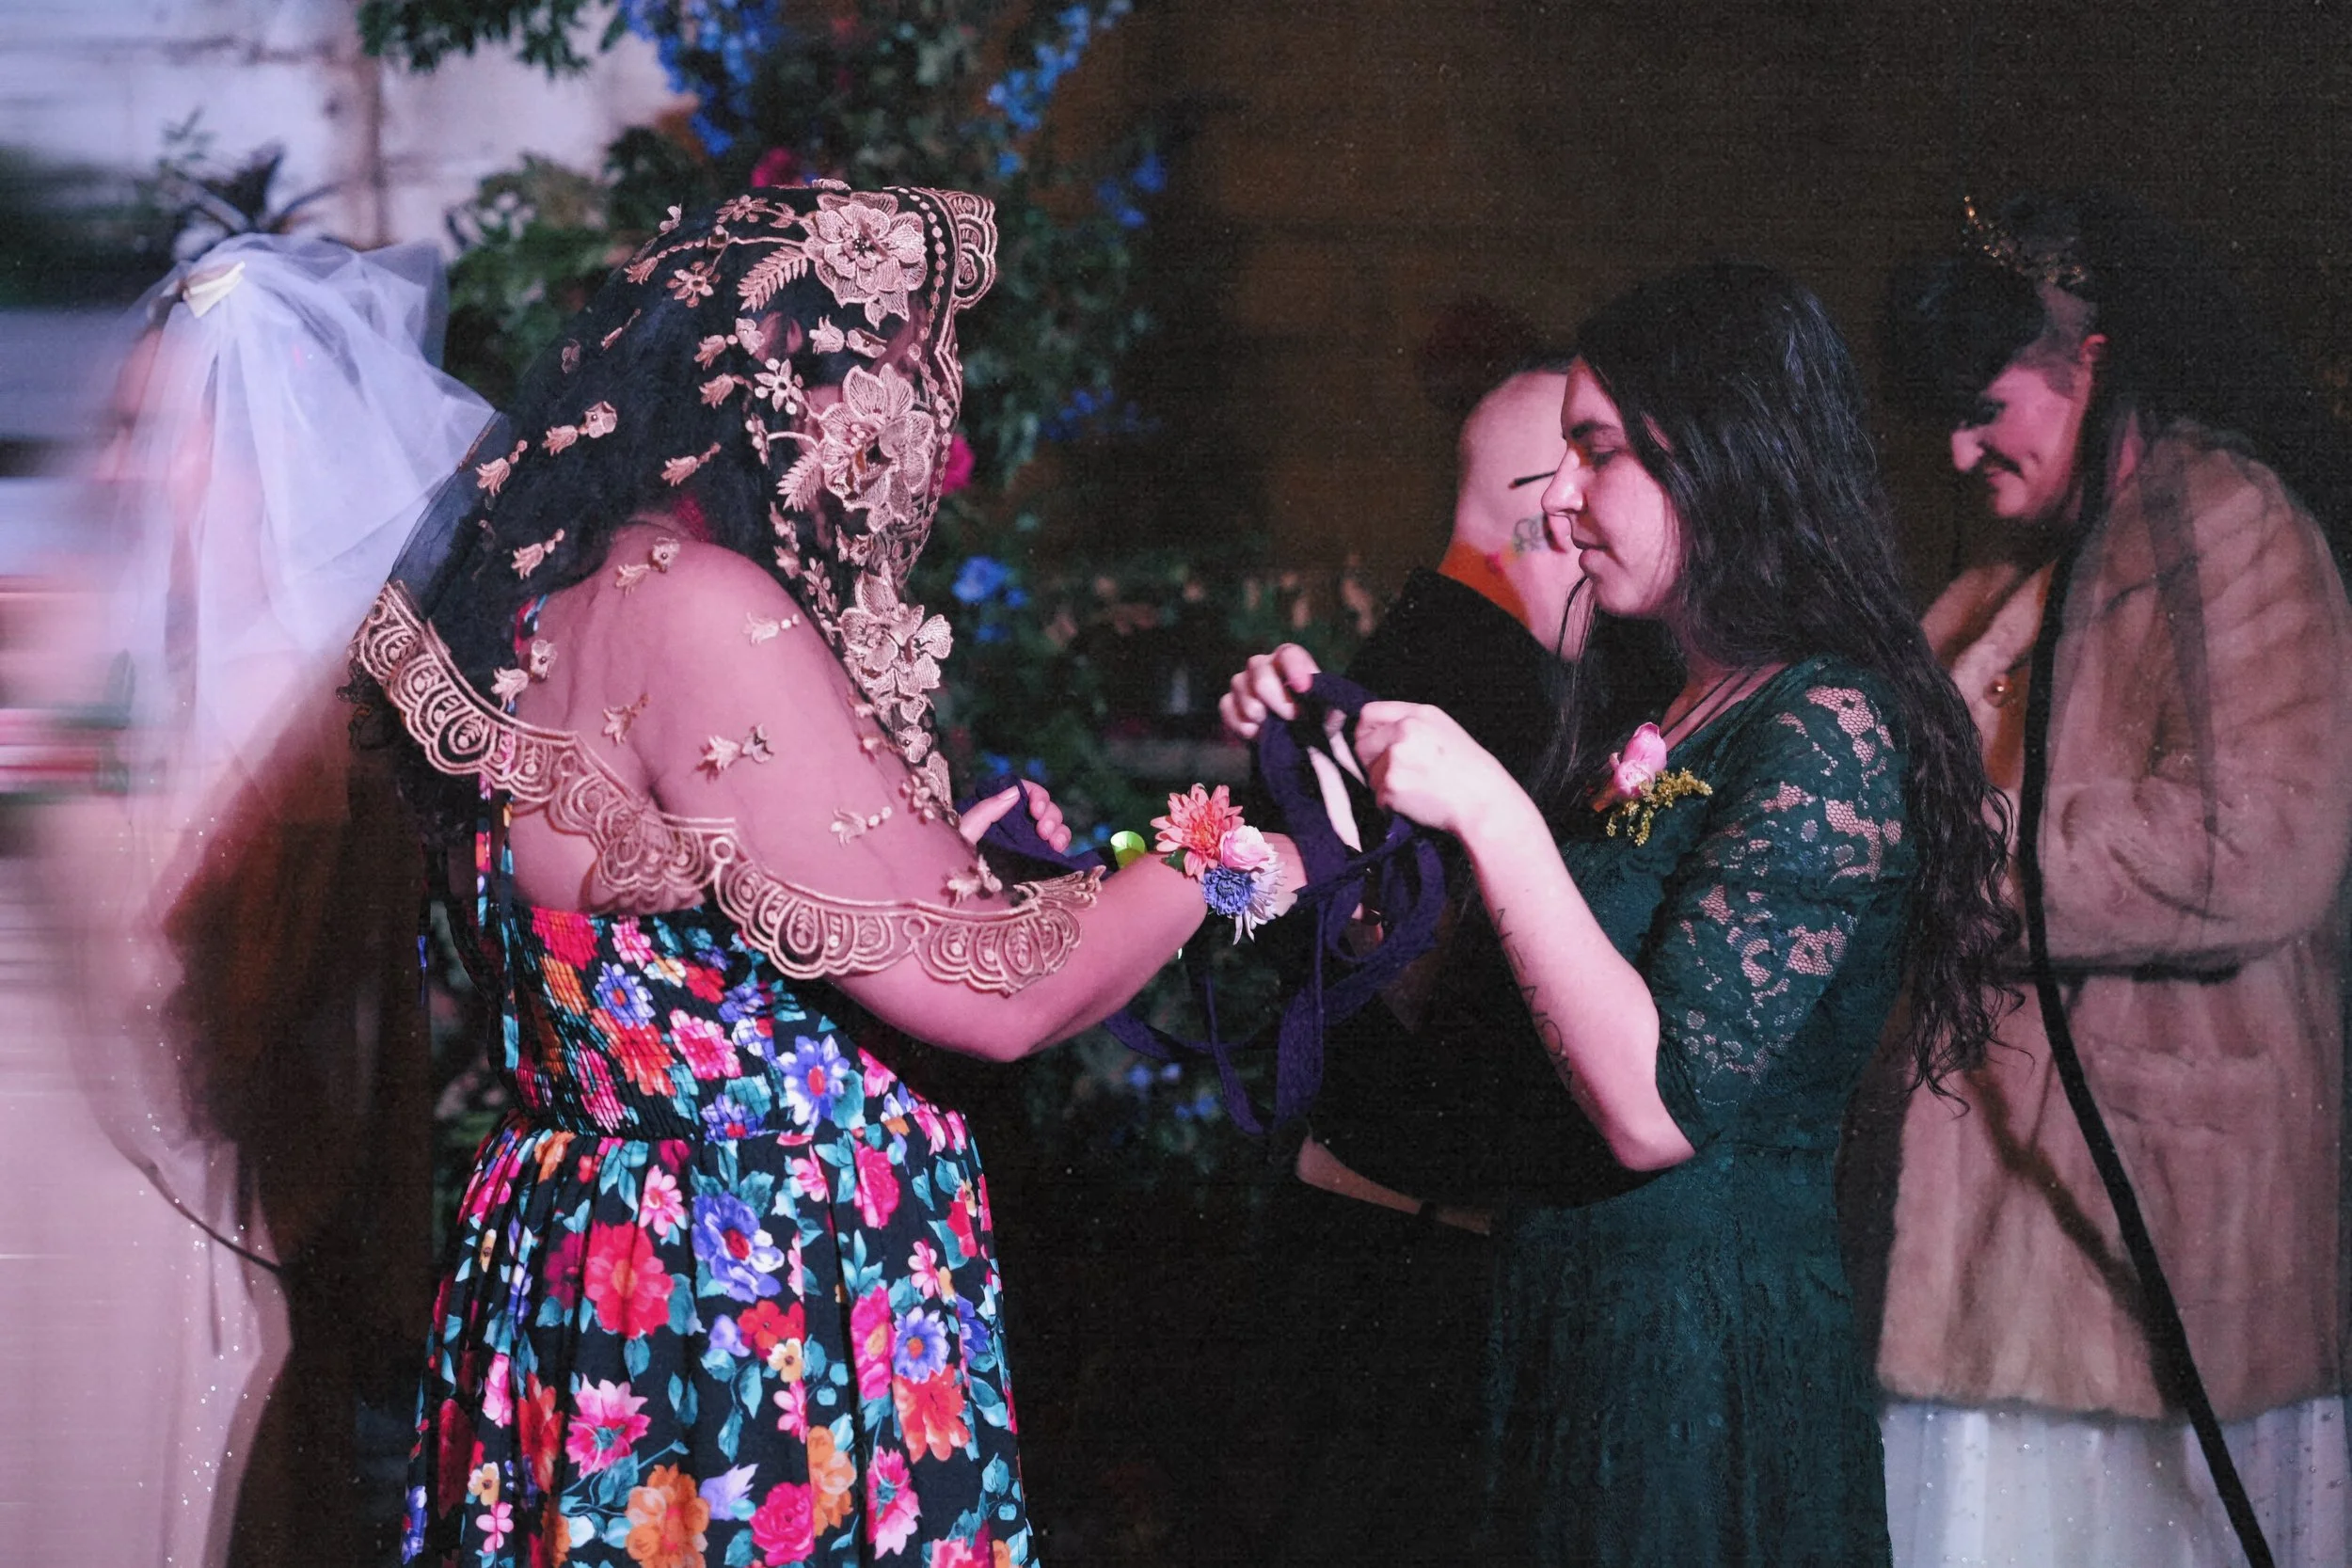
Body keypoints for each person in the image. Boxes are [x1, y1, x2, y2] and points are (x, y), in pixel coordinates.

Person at [349, 184, 1295, 1568]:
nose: (918, 435)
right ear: (792, 382)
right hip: (759, 1299)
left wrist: (950, 856)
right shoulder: (703, 606)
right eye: (897, 381)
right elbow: (999, 994)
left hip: (599, 1261)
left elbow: (705, 935)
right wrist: (1223, 852)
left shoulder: (549, 597)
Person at [1227, 261, 2016, 1564]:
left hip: (1695, 1365)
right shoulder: (1660, 701)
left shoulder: (1826, 724)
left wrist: (1493, 812)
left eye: (1597, 453)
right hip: (1566, 1329)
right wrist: (1307, 820)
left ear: (1721, 455)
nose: (1561, 501)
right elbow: (1505, 1014)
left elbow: (1656, 1108)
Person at [1872, 190, 2352, 1565]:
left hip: (2147, 1228)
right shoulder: (2001, 576)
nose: (1959, 449)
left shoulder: (2230, 527)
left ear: (2089, 362)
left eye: (1986, 410)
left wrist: (1954, 864)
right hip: (1987, 1244)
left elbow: (2259, 843)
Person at [22, 234, 490, 1567]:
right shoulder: (115, 659)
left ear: (253, 449)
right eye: (117, 432)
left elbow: (284, 1036)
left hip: (182, 1220)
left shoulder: (314, 721)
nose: (115, 471)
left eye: (153, 433)